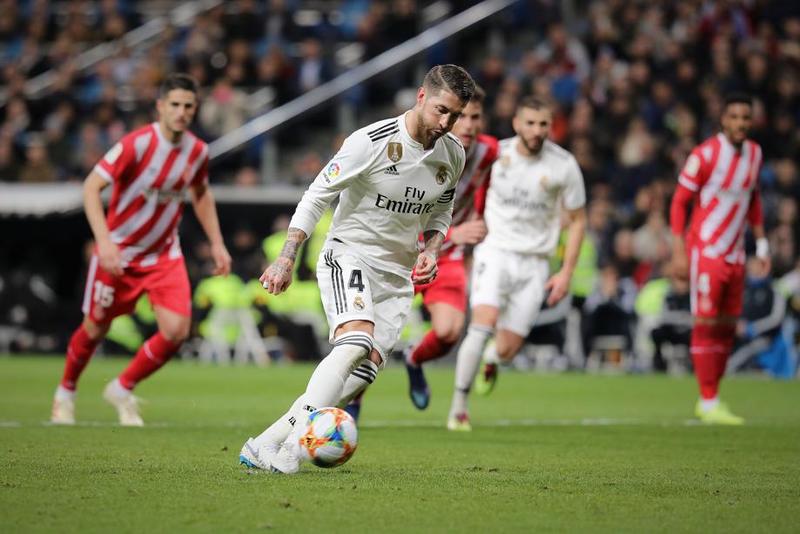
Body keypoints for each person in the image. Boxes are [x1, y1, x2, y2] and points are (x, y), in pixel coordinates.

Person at [239, 64, 475, 474]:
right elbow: (317, 195)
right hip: (349, 255)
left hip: (397, 277)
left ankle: (264, 443)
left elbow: (442, 209)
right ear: (421, 96)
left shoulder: (453, 153)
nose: (446, 123)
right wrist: (286, 257)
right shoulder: (370, 142)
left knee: (362, 373)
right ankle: (291, 451)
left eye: (455, 115)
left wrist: (433, 250)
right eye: (441, 110)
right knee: (354, 344)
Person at [50, 74, 232, 427]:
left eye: (188, 106)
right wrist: (104, 242)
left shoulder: (197, 151)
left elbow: (201, 193)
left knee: (177, 331)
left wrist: (217, 243)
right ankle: (65, 392)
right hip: (119, 254)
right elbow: (91, 187)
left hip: (163, 255)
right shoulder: (136, 145)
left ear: (195, 109)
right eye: (175, 104)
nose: (181, 112)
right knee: (95, 328)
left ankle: (121, 387)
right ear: (160, 106)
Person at [346, 86, 498, 417]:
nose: (468, 125)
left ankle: (414, 359)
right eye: (460, 117)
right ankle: (353, 399)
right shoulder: (418, 147)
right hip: (400, 250)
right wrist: (456, 232)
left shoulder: (488, 152)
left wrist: (475, 227)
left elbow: (482, 192)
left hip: (445, 253)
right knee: (371, 331)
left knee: (449, 332)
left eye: (474, 117)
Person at [447, 96, 587, 431]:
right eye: (530, 123)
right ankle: (459, 407)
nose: (537, 131)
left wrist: (566, 272)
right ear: (516, 124)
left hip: (535, 262)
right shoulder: (497, 155)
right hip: (494, 251)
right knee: (481, 325)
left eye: (543, 124)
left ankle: (493, 360)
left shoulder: (564, 165)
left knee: (508, 348)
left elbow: (578, 219)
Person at [670, 92, 768, 425]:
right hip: (707, 251)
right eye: (734, 117)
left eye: (746, 117)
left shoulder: (755, 154)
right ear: (723, 120)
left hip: (736, 254)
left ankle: (713, 396)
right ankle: (708, 400)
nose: (741, 123)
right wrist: (678, 250)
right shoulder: (705, 155)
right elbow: (679, 202)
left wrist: (762, 245)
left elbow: (753, 200)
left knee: (727, 327)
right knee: (706, 323)